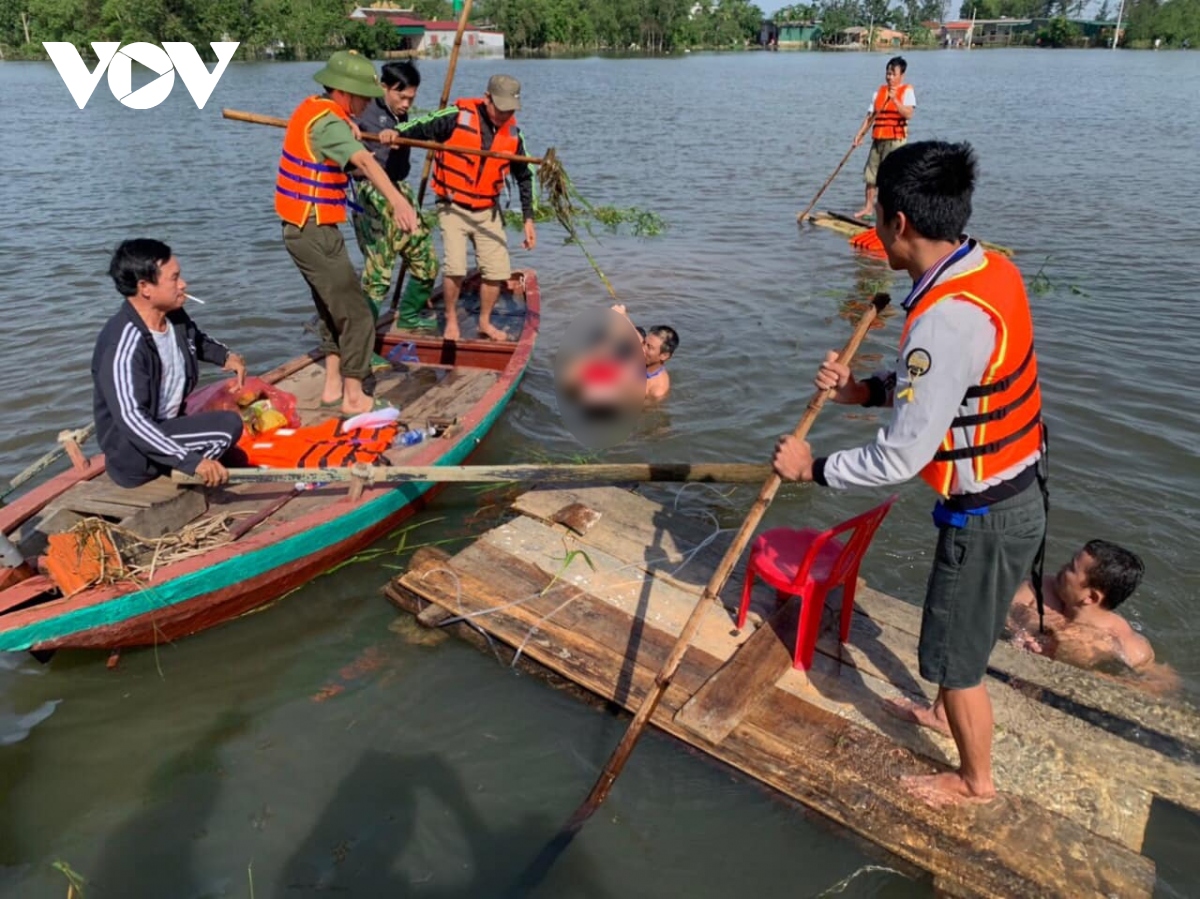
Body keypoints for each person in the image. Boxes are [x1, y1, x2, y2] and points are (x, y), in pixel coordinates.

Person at [773, 141, 1048, 808]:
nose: (873, 236)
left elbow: (900, 456)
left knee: (955, 660)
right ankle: (943, 707)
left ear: (899, 225)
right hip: (1014, 490)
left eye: (879, 224)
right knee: (957, 629)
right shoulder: (986, 267)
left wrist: (812, 468)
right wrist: (862, 392)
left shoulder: (944, 320)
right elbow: (953, 387)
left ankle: (974, 780)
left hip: (988, 511)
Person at [275, 50, 419, 417]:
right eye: (363, 97)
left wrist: (348, 124)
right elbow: (366, 161)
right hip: (313, 229)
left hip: (304, 228)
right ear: (345, 93)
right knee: (356, 313)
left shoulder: (315, 109)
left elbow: (335, 132)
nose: (368, 103)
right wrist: (400, 204)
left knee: (329, 308)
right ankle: (355, 396)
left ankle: (332, 386)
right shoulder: (330, 124)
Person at [386, 74, 537, 342]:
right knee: (455, 267)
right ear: (487, 98)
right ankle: (452, 320)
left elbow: (525, 176)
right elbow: (423, 125)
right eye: (500, 108)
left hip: (487, 210)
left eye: (509, 110)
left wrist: (528, 218)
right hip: (452, 206)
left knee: (497, 270)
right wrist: (397, 133)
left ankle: (484, 322)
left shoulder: (514, 134)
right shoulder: (457, 115)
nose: (504, 115)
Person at [92, 239, 247, 489]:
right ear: (145, 288)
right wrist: (190, 461)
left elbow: (195, 338)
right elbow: (132, 419)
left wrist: (226, 357)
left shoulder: (174, 317)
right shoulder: (123, 345)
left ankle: (188, 458)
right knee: (228, 426)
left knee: (223, 426)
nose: (183, 284)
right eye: (174, 278)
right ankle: (178, 469)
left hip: (166, 423)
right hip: (133, 454)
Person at [350, 61, 440, 333]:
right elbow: (326, 106)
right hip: (371, 193)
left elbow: (422, 128)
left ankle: (409, 316)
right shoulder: (363, 109)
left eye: (411, 98)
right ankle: (363, 344)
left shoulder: (402, 117)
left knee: (427, 263)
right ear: (384, 88)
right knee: (379, 274)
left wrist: (401, 132)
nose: (406, 104)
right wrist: (347, 125)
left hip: (401, 190)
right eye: (401, 97)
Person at [1007, 540, 1157, 673]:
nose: (1063, 567)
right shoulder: (1040, 588)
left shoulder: (1116, 645)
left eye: (1071, 568)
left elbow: (1154, 682)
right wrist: (1021, 630)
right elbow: (999, 611)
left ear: (1090, 597)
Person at [852, 57, 915, 221]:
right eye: (888, 73)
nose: (889, 77)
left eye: (893, 74)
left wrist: (895, 99)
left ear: (902, 75)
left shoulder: (907, 92)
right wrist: (859, 134)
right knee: (871, 175)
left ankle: (892, 213)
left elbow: (908, 114)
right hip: (878, 139)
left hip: (895, 140)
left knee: (892, 177)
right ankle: (868, 208)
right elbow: (870, 117)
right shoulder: (878, 93)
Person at [611, 305, 677, 401]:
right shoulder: (644, 352)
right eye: (644, 343)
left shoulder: (656, 391)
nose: (642, 349)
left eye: (649, 347)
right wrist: (622, 314)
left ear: (664, 356)